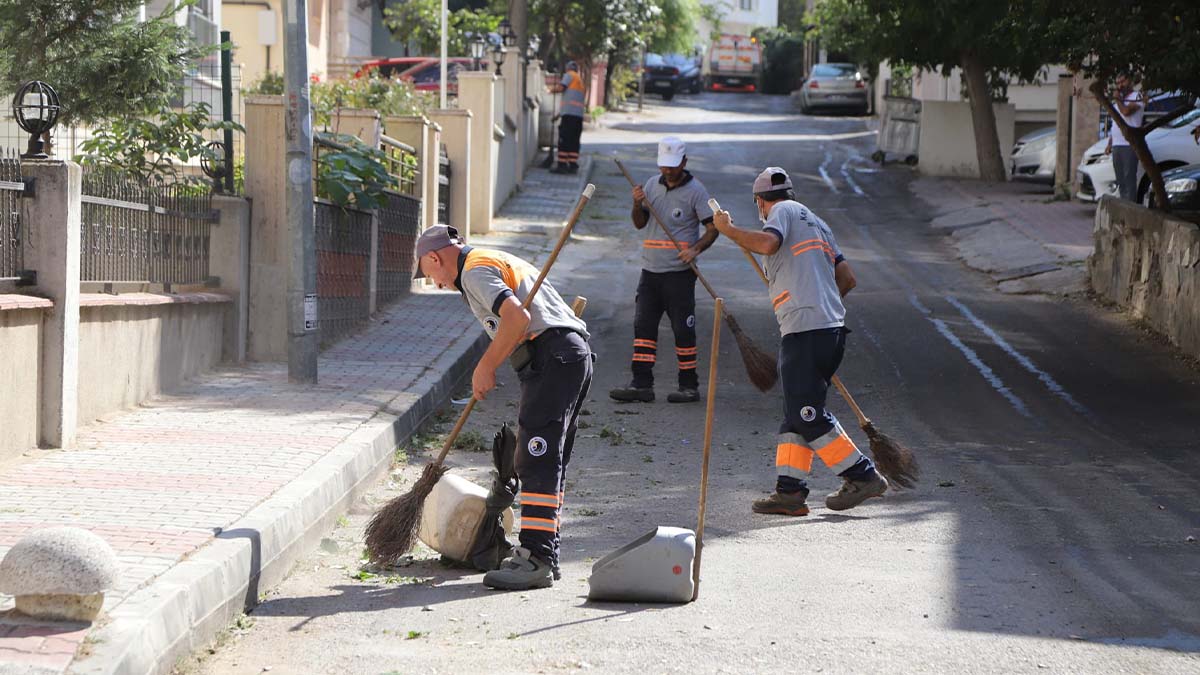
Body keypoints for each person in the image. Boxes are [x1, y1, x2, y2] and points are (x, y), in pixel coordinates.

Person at [415, 225, 593, 590]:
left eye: (429, 273)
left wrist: (485, 365)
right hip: (569, 356)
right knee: (549, 460)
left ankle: (536, 559)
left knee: (536, 458)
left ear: (435, 257)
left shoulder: (475, 270)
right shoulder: (487, 262)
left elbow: (517, 319)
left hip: (554, 357)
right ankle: (545, 553)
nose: (435, 283)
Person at [711, 167, 888, 515]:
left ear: (761, 202)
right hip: (826, 329)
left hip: (807, 330)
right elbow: (847, 279)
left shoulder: (781, 212)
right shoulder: (818, 223)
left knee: (807, 415)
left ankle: (863, 475)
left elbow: (767, 242)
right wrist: (823, 303)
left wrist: (727, 230)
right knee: (796, 413)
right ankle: (790, 491)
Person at [609, 137, 717, 404]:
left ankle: (688, 386)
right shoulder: (649, 186)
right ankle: (641, 385)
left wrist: (695, 249)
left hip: (680, 273)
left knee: (683, 330)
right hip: (650, 271)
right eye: (663, 166)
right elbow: (639, 223)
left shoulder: (697, 191)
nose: (667, 171)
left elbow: (713, 228)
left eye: (672, 166)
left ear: (684, 162)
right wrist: (636, 204)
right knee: (643, 327)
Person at [1105, 75, 1144, 202]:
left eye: (1123, 81)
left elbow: (1126, 112)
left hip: (1129, 145)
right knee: (1120, 179)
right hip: (1117, 145)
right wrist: (1110, 143)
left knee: (1129, 179)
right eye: (1118, 83)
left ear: (1130, 81)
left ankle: (1131, 207)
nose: (1120, 85)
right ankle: (1124, 206)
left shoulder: (1137, 97)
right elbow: (1116, 124)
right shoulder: (1118, 102)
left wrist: (1118, 100)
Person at [550, 61, 586, 174]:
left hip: (569, 116)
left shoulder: (569, 75)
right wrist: (558, 115)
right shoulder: (579, 81)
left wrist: (550, 90)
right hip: (578, 117)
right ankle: (572, 164)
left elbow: (561, 88)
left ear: (568, 68)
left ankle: (562, 165)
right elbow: (571, 102)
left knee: (564, 139)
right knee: (574, 141)